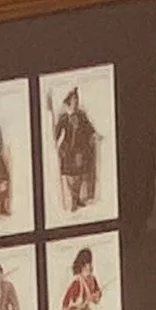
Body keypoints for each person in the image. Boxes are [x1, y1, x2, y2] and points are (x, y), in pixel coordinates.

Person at [52, 85, 100, 215]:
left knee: (78, 176)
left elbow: (89, 127)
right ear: (69, 101)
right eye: (74, 100)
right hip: (68, 150)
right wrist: (56, 143)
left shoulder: (81, 115)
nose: (76, 102)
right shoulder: (63, 118)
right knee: (69, 176)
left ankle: (75, 199)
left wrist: (95, 134)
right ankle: (74, 197)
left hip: (79, 150)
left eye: (77, 99)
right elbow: (56, 133)